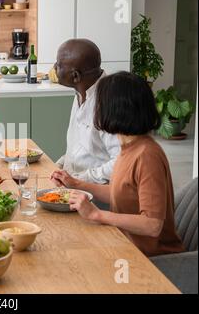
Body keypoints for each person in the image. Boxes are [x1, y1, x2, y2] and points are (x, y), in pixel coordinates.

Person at [51, 71, 184, 257]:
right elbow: (122, 192)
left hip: (151, 260)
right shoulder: (128, 146)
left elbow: (152, 225)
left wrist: (97, 215)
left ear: (115, 109)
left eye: (99, 104)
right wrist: (76, 184)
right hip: (123, 244)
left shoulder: (147, 156)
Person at [54, 39, 120, 184]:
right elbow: (80, 148)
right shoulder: (81, 91)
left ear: (75, 76)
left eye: (58, 65)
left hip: (98, 195)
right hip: (73, 186)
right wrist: (59, 165)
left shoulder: (109, 102)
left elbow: (121, 161)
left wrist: (79, 179)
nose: (54, 67)